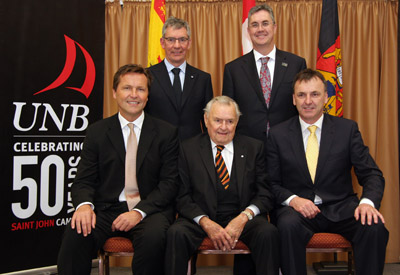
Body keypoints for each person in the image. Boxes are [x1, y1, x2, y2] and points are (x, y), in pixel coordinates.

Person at [57, 64, 179, 275]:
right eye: (127, 88)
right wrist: (84, 206)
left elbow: (169, 183)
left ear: (148, 95)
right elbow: (84, 180)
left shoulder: (166, 133)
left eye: (140, 89)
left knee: (154, 238)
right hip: (105, 209)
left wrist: (139, 212)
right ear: (114, 92)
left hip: (150, 209)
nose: (134, 95)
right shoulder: (97, 132)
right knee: (77, 231)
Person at [267, 69, 389, 275]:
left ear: (325, 97)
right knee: (286, 225)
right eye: (301, 95)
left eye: (314, 94)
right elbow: (270, 182)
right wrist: (293, 200)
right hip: (298, 211)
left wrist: (367, 203)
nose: (308, 101)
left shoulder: (347, 130)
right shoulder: (277, 135)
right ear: (293, 100)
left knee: (373, 225)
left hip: (342, 207)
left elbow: (372, 174)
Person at [165, 96, 279, 275]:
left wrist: (243, 218)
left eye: (230, 121)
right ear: (206, 120)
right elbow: (182, 196)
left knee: (268, 232)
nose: (223, 127)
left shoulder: (253, 148)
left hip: (242, 215)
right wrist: (206, 223)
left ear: (237, 122)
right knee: (176, 233)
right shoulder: (188, 149)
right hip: (201, 217)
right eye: (217, 120)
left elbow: (265, 194)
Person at [223, 4, 306, 145]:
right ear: (248, 31)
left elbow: (304, 105)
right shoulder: (233, 69)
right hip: (248, 147)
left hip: (288, 144)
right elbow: (228, 112)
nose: (260, 29)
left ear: (274, 27)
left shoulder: (296, 64)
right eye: (255, 25)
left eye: (265, 23)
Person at [146, 16, 214, 141]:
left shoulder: (203, 79)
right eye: (171, 40)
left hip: (193, 151)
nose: (177, 46)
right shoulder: (147, 76)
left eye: (182, 39)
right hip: (157, 150)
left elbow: (208, 121)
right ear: (162, 42)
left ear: (189, 43)